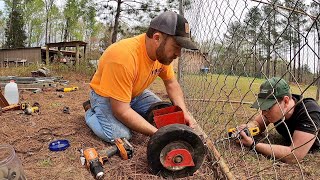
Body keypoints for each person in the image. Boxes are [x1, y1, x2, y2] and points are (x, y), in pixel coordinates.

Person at [83, 11, 197, 143]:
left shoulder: (161, 54)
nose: (179, 54)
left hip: (133, 93)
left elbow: (171, 84)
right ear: (157, 38)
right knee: (121, 135)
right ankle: (92, 112)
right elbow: (121, 110)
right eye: (176, 46)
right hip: (106, 97)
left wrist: (184, 112)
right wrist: (159, 134)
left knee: (164, 113)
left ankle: (127, 111)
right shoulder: (123, 57)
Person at [238, 77, 320, 163]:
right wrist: (247, 129)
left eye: (268, 107)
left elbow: (294, 155)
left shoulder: (309, 112)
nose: (263, 113)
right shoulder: (278, 109)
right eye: (262, 107)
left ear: (286, 101)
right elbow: (258, 123)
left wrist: (253, 144)